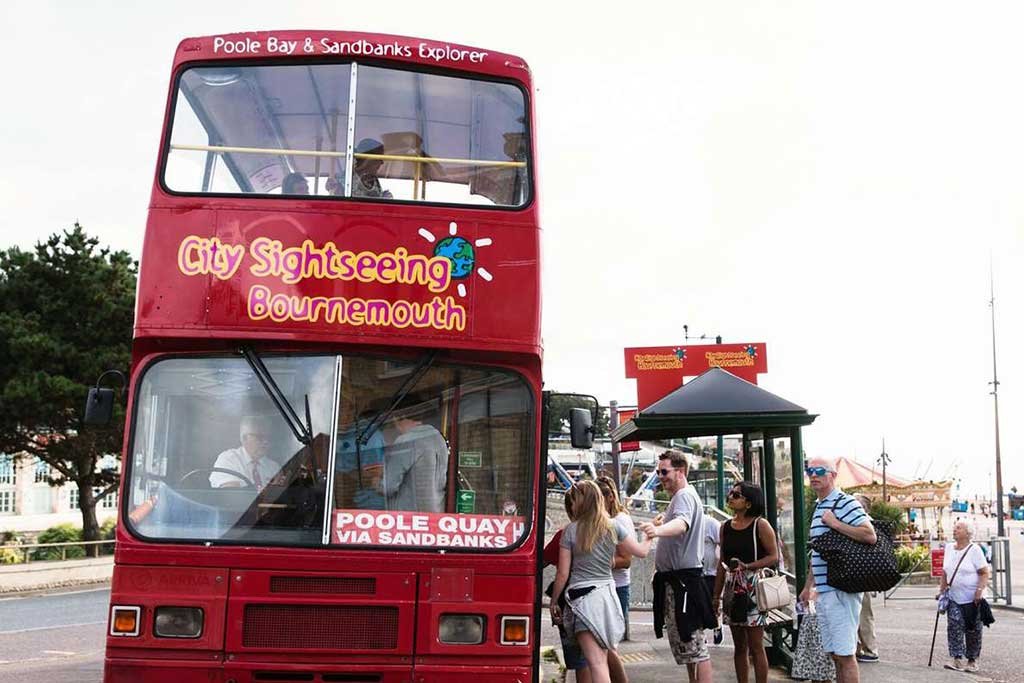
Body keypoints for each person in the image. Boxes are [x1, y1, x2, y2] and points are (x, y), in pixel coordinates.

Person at [550, 480, 652, 683]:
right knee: (602, 660)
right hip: (607, 599)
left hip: (582, 601)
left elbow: (562, 573)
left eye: (574, 500)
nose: (572, 504)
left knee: (595, 663)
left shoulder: (571, 530)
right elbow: (641, 552)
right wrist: (649, 536)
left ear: (581, 502)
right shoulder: (613, 527)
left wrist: (554, 601)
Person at [640, 450, 716, 683]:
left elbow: (682, 524)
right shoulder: (683, 496)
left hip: (683, 582)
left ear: (680, 471)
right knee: (688, 642)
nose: (660, 477)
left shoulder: (683, 496)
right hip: (680, 581)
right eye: (658, 472)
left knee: (695, 644)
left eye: (664, 472)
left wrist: (657, 531)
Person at [799, 456, 875, 683]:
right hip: (826, 589)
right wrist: (808, 586)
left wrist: (835, 523)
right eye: (810, 471)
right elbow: (818, 551)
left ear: (832, 475)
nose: (814, 476)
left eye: (820, 471)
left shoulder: (844, 502)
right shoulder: (820, 505)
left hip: (841, 587)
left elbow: (869, 534)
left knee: (845, 654)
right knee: (836, 654)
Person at [712, 481, 778, 683]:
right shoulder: (725, 527)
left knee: (756, 645)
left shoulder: (760, 525)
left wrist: (748, 566)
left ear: (749, 503)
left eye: (736, 495)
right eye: (731, 493)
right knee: (739, 645)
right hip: (733, 587)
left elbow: (774, 556)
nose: (730, 497)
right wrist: (716, 595)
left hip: (753, 586)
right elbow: (722, 562)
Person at [543, 490, 591, 682]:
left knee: (579, 659)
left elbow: (545, 562)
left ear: (570, 508)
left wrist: (554, 601)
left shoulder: (565, 534)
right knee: (596, 657)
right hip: (599, 598)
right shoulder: (603, 531)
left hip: (571, 600)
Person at [374, 394, 448, 512]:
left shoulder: (406, 440)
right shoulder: (438, 438)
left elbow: (388, 487)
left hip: (409, 517)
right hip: (435, 514)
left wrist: (376, 481)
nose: (396, 426)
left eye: (394, 421)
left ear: (400, 416)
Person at [938, 521, 992, 673]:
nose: (954, 529)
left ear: (968, 533)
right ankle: (956, 659)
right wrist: (942, 590)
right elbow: (945, 571)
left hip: (973, 598)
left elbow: (984, 572)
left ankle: (972, 660)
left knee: (972, 629)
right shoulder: (949, 548)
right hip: (954, 596)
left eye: (958, 528)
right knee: (954, 626)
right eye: (954, 527)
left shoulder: (975, 550)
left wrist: (979, 590)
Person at [596, 475, 632, 683]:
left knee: (608, 646)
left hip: (617, 587)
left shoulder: (619, 521)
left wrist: (596, 561)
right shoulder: (604, 520)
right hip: (604, 587)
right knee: (603, 646)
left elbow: (626, 560)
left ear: (609, 497)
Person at [209, 415, 282, 489]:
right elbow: (231, 493)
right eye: (260, 437)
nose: (265, 441)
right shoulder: (229, 459)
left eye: (268, 437)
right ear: (244, 438)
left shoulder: (274, 467)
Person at [852, 493, 879, 664]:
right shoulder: (859, 522)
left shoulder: (865, 523)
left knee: (863, 613)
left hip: (862, 574)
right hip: (860, 574)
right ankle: (861, 647)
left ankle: (870, 649)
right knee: (859, 612)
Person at [702, 513, 724, 645]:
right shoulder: (683, 523)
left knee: (713, 602)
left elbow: (723, 544)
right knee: (698, 604)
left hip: (710, 572)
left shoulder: (711, 523)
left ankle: (717, 625)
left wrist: (719, 562)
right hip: (693, 572)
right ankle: (701, 634)